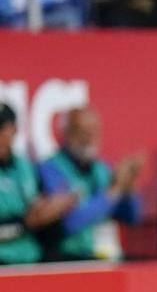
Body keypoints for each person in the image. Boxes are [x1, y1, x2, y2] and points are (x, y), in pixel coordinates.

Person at [36, 107, 144, 263]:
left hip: (106, 257)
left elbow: (132, 217)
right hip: (68, 259)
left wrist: (129, 186)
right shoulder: (51, 169)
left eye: (94, 131)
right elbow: (70, 222)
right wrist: (113, 191)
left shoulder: (102, 169)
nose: (89, 137)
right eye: (82, 131)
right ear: (65, 134)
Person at [0, 103, 74, 267]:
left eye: (1, 128)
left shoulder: (27, 168)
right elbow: (31, 220)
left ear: (13, 129)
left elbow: (41, 216)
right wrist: (25, 223)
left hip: (32, 263)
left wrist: (54, 211)